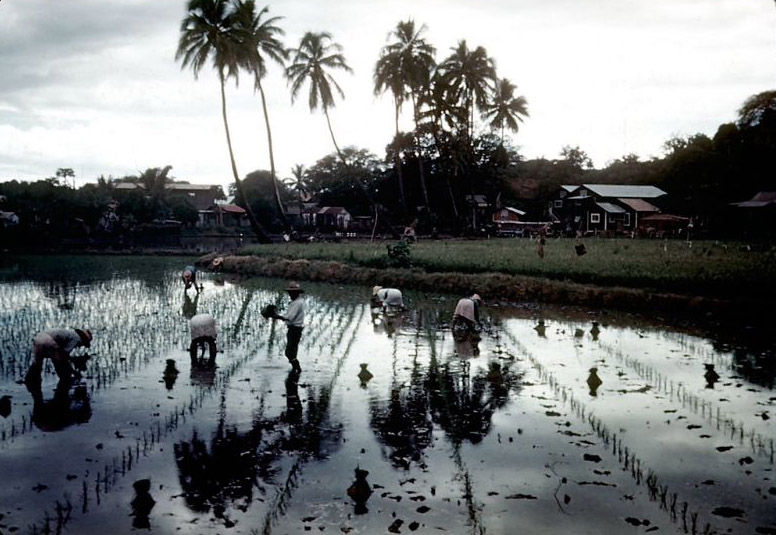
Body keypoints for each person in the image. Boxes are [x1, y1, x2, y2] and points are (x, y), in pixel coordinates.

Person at [25, 327, 92, 384]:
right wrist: (74, 371)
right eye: (83, 344)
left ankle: (29, 381)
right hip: (49, 340)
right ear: (83, 340)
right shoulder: (76, 338)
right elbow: (64, 355)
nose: (81, 346)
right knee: (60, 364)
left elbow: (62, 352)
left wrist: (71, 360)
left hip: (38, 338)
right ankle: (64, 384)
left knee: (37, 364)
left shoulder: (70, 333)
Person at [272, 281, 305, 373]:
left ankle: (297, 369)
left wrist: (276, 316)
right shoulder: (297, 302)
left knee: (289, 352)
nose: (290, 294)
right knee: (292, 351)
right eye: (289, 292)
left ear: (297, 293)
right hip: (295, 329)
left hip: (295, 329)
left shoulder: (297, 303)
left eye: (292, 292)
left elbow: (290, 318)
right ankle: (295, 370)